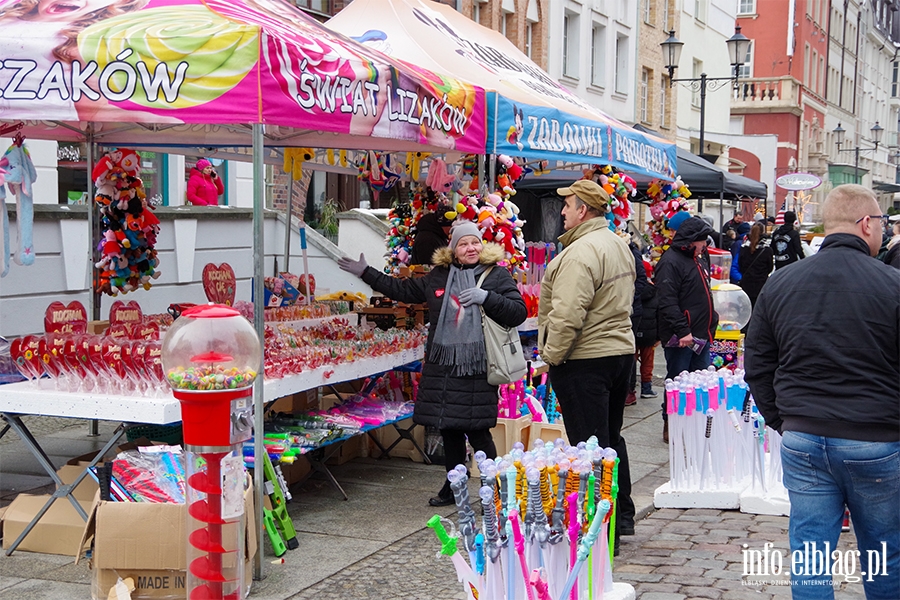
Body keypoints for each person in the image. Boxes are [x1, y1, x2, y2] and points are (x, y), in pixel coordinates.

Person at [744, 184, 899, 599]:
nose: (883, 232)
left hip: (805, 434)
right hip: (875, 438)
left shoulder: (781, 283)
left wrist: (783, 419)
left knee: (811, 555)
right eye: (881, 223)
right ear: (866, 224)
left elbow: (757, 363)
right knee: (885, 553)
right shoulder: (892, 283)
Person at [338, 221, 526, 507]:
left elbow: (518, 312)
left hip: (476, 367)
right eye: (463, 244)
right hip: (443, 367)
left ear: (482, 244)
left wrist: (487, 298)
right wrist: (366, 273)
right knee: (448, 428)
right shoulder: (439, 276)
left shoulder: (496, 276)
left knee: (477, 431)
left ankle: (499, 491)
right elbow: (401, 290)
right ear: (454, 250)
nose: (470, 248)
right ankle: (454, 486)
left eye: (474, 242)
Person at [537, 179, 636, 541]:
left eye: (568, 205)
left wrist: (551, 357)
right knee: (611, 438)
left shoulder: (580, 253)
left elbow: (567, 314)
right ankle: (622, 514)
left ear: (584, 210)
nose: (562, 211)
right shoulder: (616, 244)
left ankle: (602, 528)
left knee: (589, 446)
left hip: (585, 357)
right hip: (618, 352)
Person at [0, 0, 149, 121]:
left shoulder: (85, 40)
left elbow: (95, 108)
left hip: (42, 121)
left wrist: (145, 118)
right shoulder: (8, 10)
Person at [655, 216, 719, 443]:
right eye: (703, 241)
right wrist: (682, 330)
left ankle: (694, 422)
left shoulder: (699, 258)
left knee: (699, 381)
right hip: (682, 337)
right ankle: (671, 424)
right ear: (693, 240)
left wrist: (713, 321)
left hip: (701, 335)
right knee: (677, 382)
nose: (706, 245)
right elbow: (667, 301)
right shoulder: (670, 262)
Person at [634, 260, 659, 400]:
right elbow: (660, 314)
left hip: (634, 329)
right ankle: (646, 387)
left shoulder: (632, 290)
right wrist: (659, 336)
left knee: (632, 360)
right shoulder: (654, 291)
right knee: (647, 361)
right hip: (650, 334)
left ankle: (629, 389)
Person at [737, 222, 774, 306]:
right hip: (761, 284)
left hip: (746, 283)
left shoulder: (744, 247)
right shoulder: (767, 250)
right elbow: (770, 268)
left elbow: (740, 265)